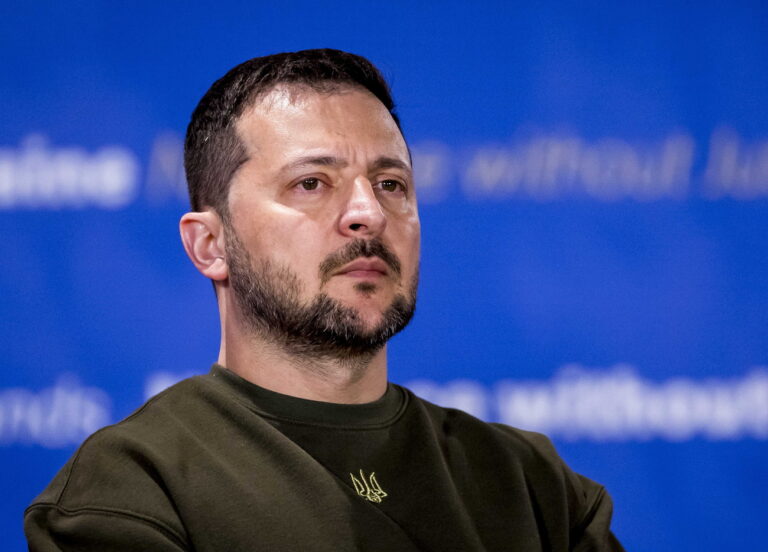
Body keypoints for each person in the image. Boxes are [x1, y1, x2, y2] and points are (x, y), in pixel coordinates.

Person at [25, 49, 624, 551]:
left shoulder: (531, 487)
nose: (368, 213)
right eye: (312, 184)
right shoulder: (133, 493)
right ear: (210, 244)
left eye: (391, 184)